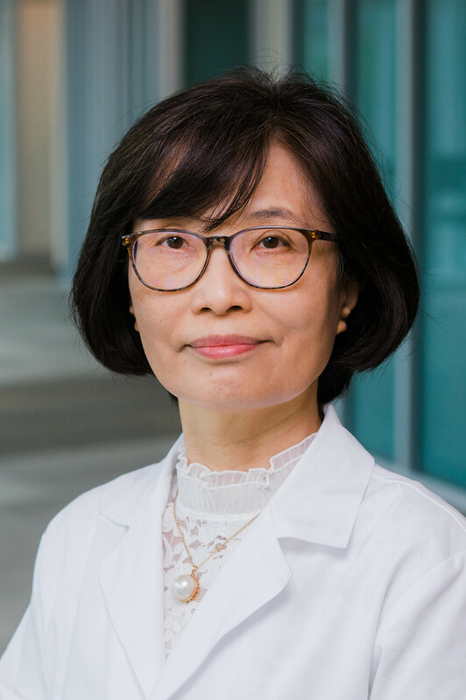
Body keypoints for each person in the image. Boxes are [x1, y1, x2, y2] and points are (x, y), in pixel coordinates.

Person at [1, 67, 465, 700]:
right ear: (127, 290)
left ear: (347, 289)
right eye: (173, 240)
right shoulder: (78, 536)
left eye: (271, 241)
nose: (219, 295)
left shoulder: (430, 562)